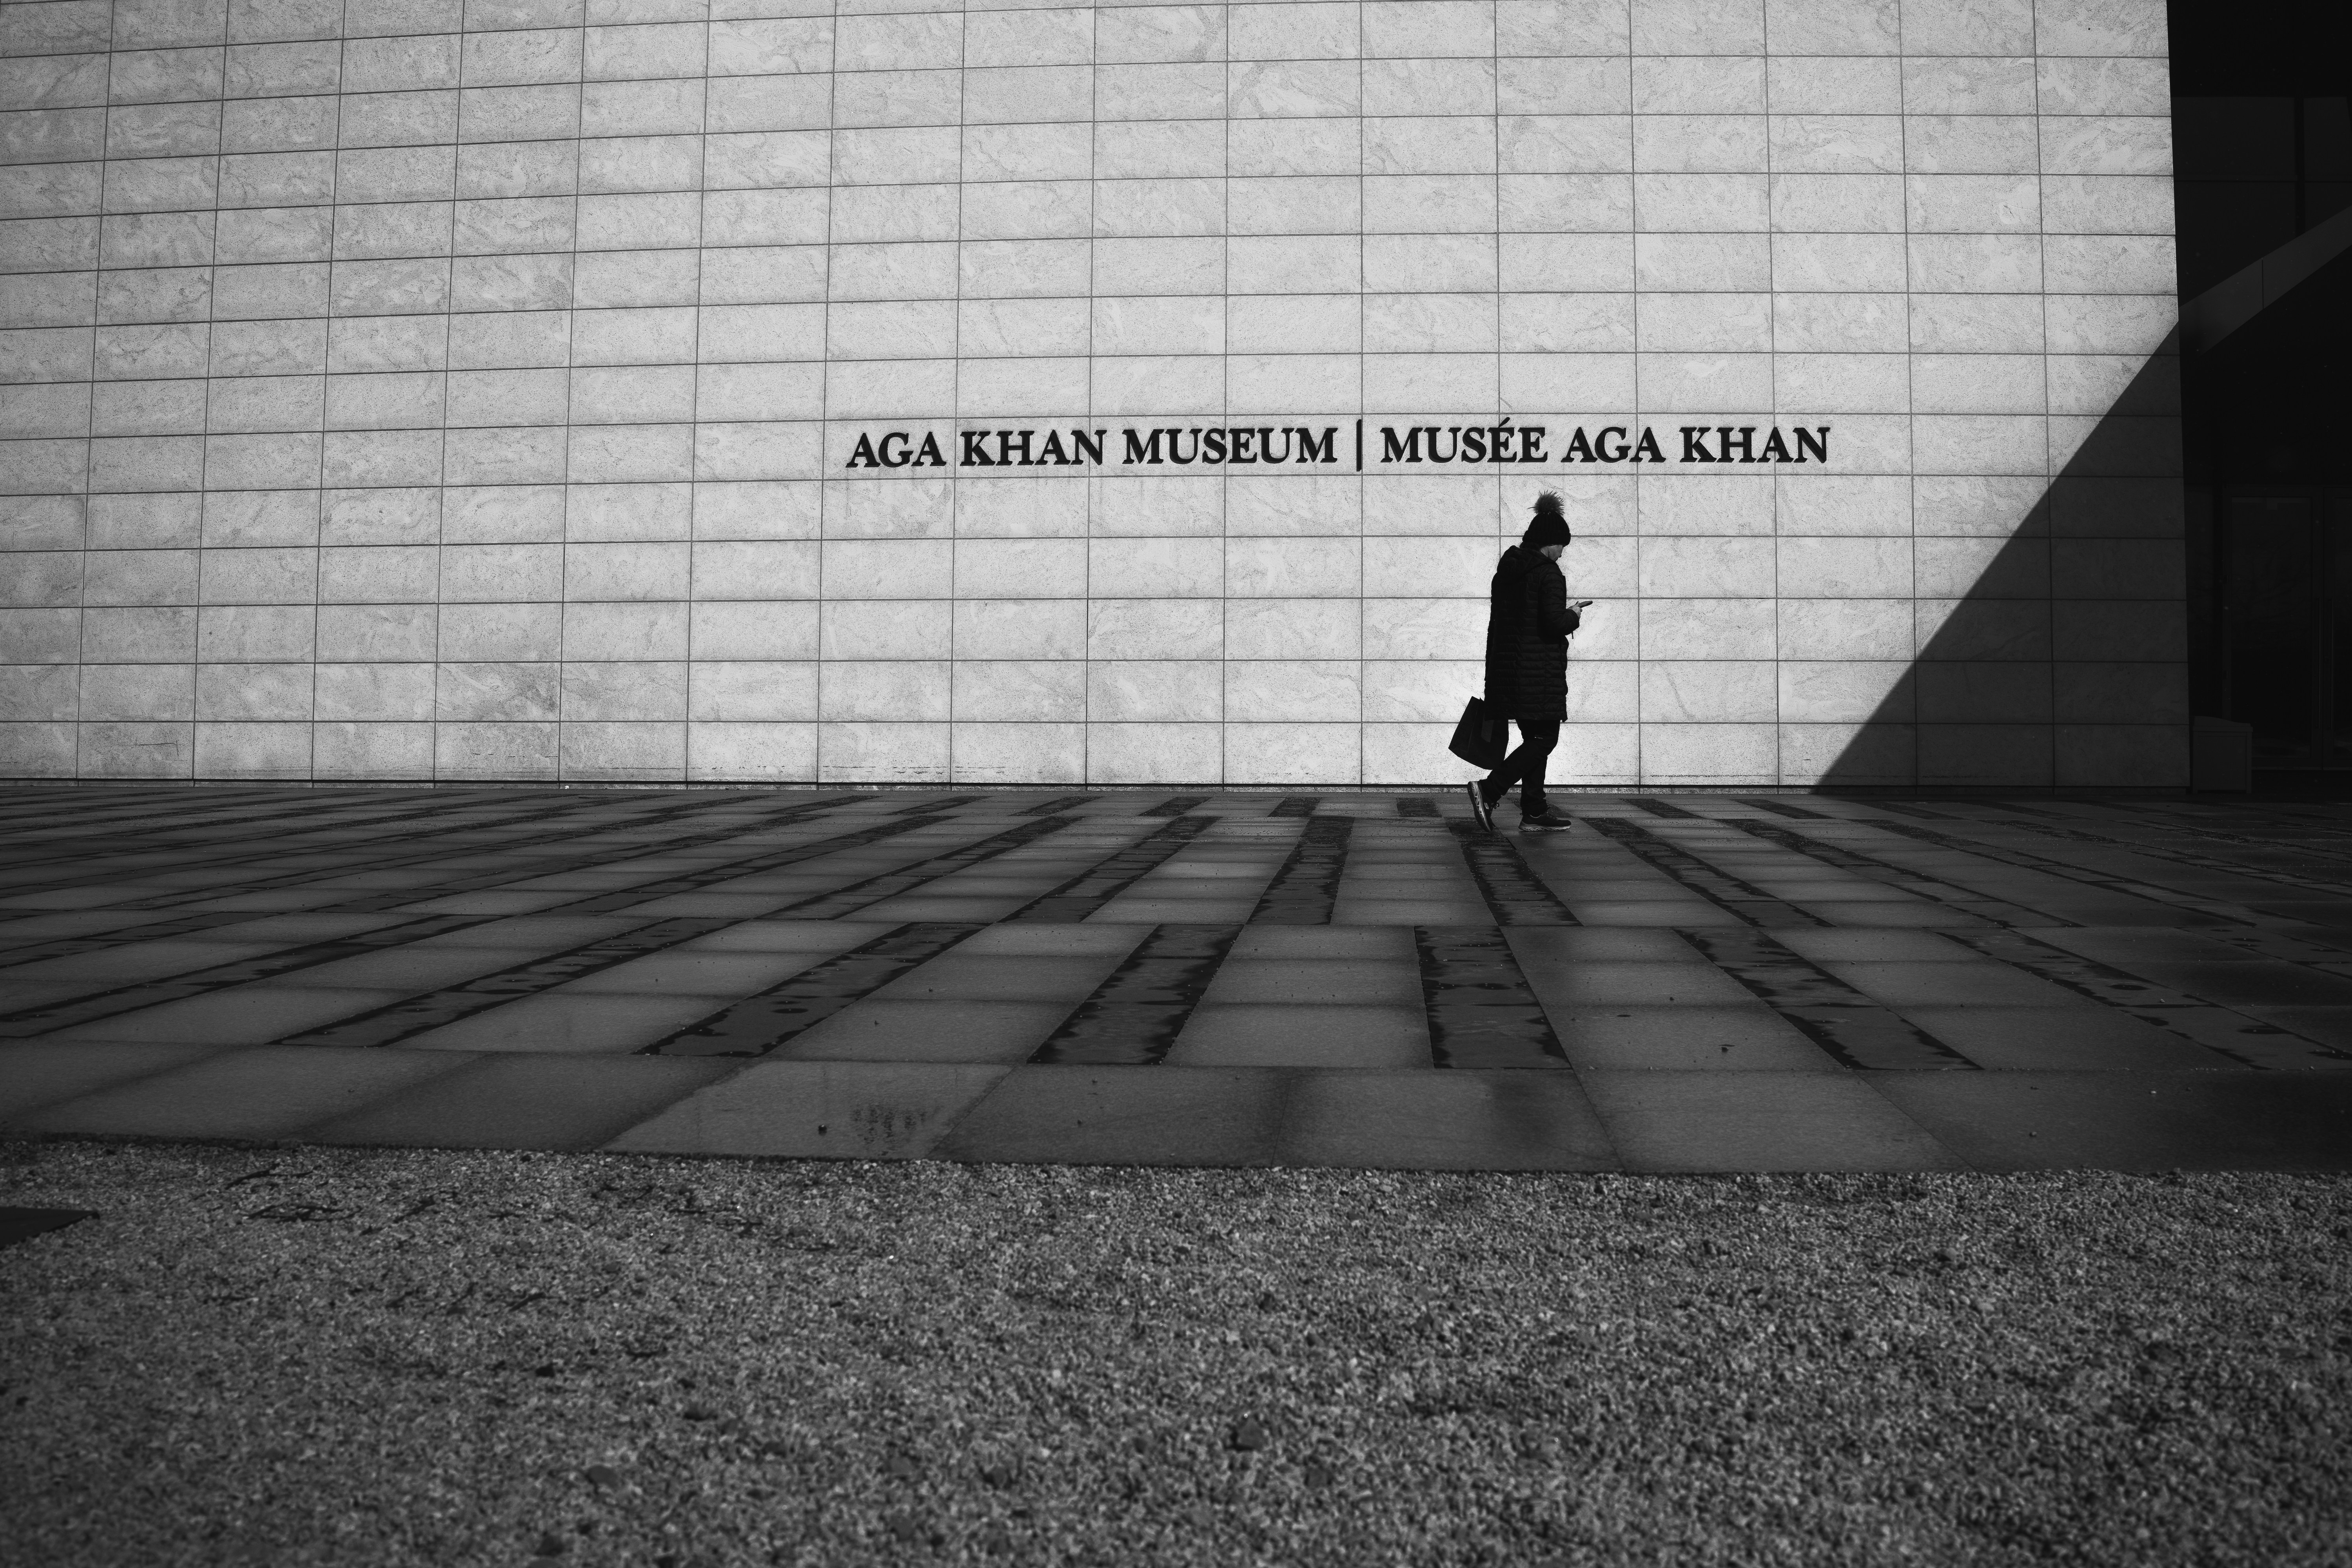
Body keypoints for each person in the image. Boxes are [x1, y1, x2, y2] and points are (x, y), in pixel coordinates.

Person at [1466, 492, 1591, 833]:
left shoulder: (1508, 572)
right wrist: (1574, 614)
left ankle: (1534, 812)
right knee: (1545, 739)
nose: (1563, 552)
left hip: (1510, 672)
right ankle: (1490, 790)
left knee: (1535, 739)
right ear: (1550, 544)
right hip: (1538, 674)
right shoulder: (1549, 574)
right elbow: (1553, 624)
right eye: (1562, 546)